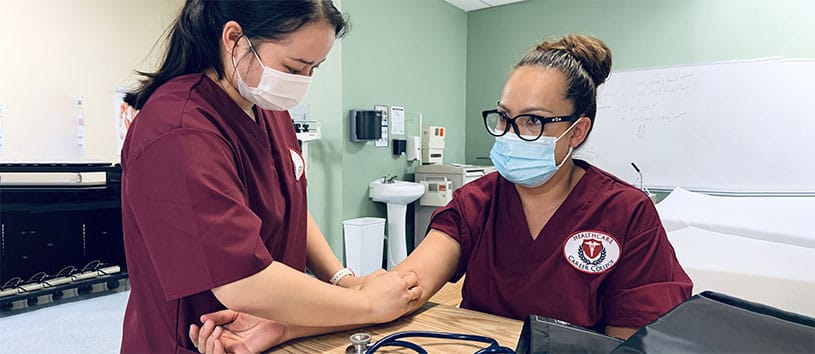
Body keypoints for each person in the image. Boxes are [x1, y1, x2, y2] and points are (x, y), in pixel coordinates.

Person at [191, 34, 693, 352]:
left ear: (577, 131)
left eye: (534, 122)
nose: (511, 134)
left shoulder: (626, 212)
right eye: (504, 118)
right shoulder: (479, 201)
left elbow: (636, 341)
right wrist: (284, 327)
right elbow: (404, 288)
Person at [119, 1, 422, 353]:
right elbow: (239, 281)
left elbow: (290, 205)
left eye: (314, 69)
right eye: (294, 67)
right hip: (203, 337)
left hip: (273, 326)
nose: (303, 82)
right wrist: (369, 306)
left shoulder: (267, 110)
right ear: (234, 38)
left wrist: (341, 279)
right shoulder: (178, 129)